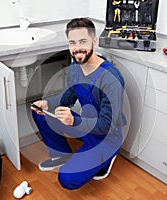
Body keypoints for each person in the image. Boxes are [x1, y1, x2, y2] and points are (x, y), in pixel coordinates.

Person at [30, 18, 126, 190]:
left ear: (94, 42)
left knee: (67, 179)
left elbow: (107, 125)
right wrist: (46, 103)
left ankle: (105, 160)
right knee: (40, 112)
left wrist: (74, 121)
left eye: (83, 41)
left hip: (106, 136)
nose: (77, 48)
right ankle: (63, 155)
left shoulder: (111, 78)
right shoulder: (75, 67)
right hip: (85, 124)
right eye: (72, 43)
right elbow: (67, 98)